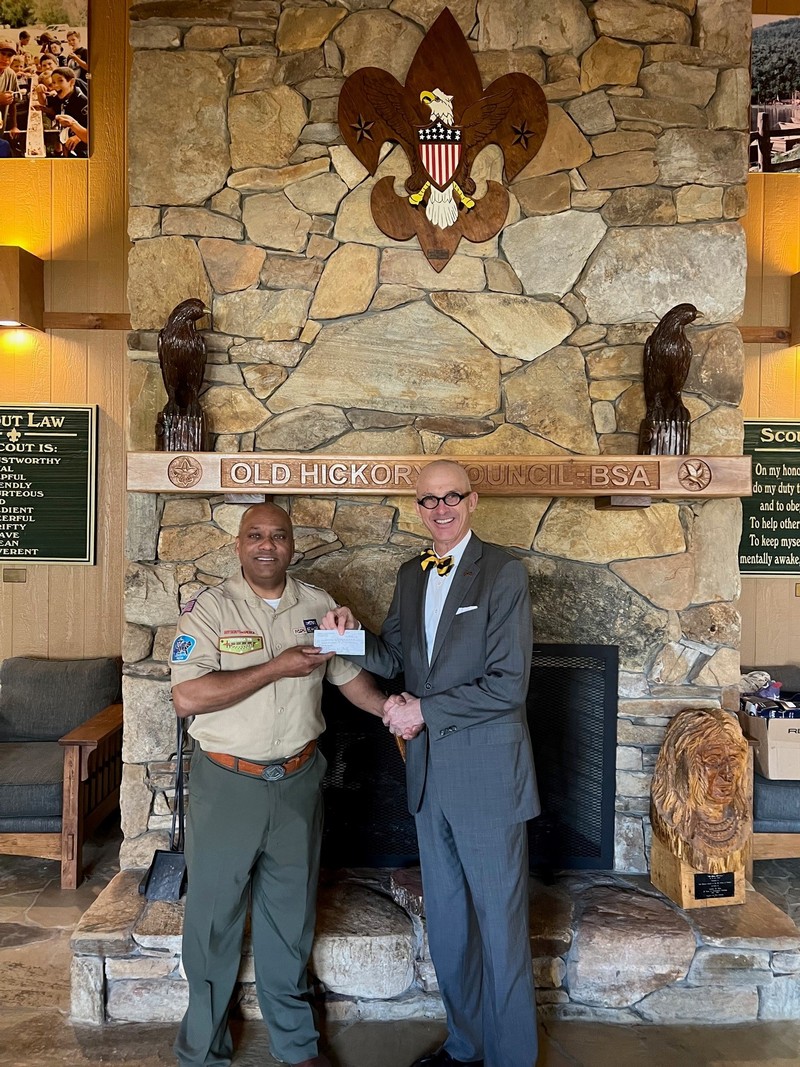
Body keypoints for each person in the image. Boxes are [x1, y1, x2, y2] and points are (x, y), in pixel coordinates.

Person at [321, 459, 539, 1067]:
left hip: (488, 778)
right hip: (429, 777)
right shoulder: (412, 573)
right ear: (417, 508)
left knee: (499, 927)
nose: (440, 510)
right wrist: (343, 632)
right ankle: (466, 1045)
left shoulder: (504, 573)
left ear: (472, 502)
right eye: (427, 501)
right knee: (448, 926)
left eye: (451, 498)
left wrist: (424, 712)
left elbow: (509, 685)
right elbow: (392, 656)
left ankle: (511, 1058)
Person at [170, 502, 387, 1067]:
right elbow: (188, 696)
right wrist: (274, 666)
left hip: (297, 782)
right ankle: (202, 1051)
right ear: (239, 544)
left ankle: (296, 1046)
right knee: (213, 922)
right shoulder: (208, 609)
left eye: (279, 536)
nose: (267, 545)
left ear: (292, 545)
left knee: (289, 920)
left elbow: (348, 679)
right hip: (228, 784)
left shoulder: (317, 606)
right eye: (255, 536)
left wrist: (395, 712)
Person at [0, 40, 20, 150]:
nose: (6, 58)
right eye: (2, 54)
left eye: (10, 55)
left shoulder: (10, 74)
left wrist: (14, 126)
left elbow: (13, 103)